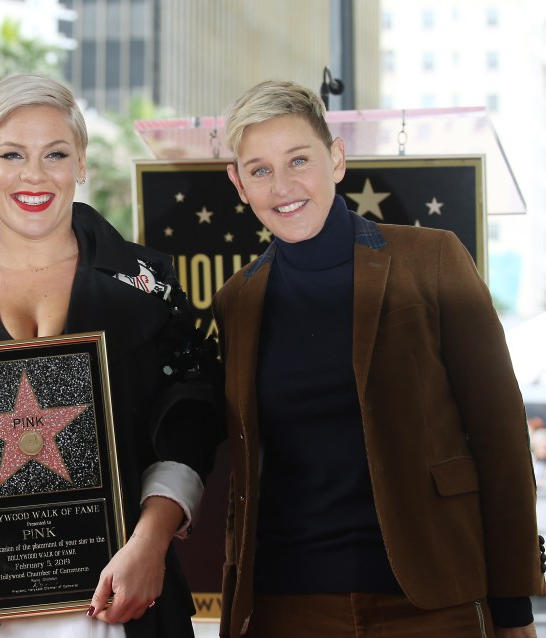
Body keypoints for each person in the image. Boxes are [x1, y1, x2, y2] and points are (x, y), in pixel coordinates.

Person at [0, 74, 223, 638]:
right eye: (12, 154)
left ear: (81, 162)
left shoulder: (146, 289)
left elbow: (189, 425)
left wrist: (150, 545)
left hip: (114, 608)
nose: (34, 175)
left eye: (55, 153)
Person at [211, 79, 545, 638]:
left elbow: (501, 440)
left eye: (299, 160)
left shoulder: (433, 259)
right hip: (286, 605)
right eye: (260, 169)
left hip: (433, 600)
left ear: (336, 158)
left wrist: (513, 609)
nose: (283, 186)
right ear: (238, 183)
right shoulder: (237, 299)